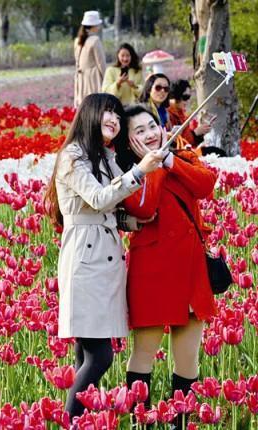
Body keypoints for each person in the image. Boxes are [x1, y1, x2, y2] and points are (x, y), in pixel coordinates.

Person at [44, 93, 164, 420]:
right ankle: (71, 423)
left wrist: (131, 221)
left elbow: (109, 209)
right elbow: (97, 198)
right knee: (100, 357)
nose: (112, 119)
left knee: (85, 356)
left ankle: (77, 422)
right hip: (86, 259)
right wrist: (139, 170)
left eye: (116, 114)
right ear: (90, 115)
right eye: (106, 113)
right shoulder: (73, 156)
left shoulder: (105, 156)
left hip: (104, 255)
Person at [116, 104, 217, 429]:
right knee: (144, 353)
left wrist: (171, 160)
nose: (149, 134)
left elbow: (205, 185)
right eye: (139, 131)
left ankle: (180, 423)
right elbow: (142, 209)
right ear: (128, 141)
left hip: (191, 269)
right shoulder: (129, 174)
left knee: (188, 355)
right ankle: (139, 421)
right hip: (153, 273)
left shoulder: (183, 158)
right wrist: (151, 166)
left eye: (151, 126)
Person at [73, 11, 107, 108]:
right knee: (96, 105)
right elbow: (101, 63)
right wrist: (106, 79)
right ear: (94, 26)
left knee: (84, 105)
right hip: (93, 78)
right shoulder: (95, 41)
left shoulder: (77, 41)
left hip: (81, 77)